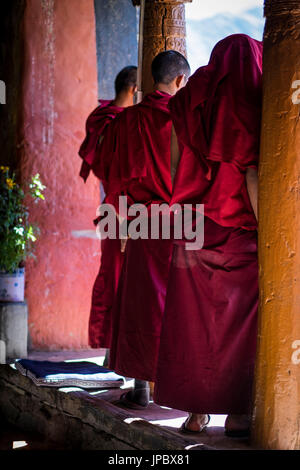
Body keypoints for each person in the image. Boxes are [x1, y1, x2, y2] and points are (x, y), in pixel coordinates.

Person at [154, 34, 262, 436]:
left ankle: (197, 413)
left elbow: (173, 166)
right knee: (239, 327)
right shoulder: (252, 101)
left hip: (195, 229)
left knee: (195, 324)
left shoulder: (188, 100)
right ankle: (238, 414)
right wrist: (265, 229)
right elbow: (251, 173)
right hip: (240, 234)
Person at [99, 51, 190, 408]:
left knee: (140, 304)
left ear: (152, 80)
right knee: (177, 306)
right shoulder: (183, 120)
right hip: (181, 221)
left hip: (139, 222)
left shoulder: (127, 120)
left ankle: (141, 388)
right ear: (181, 81)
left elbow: (115, 177)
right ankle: (176, 389)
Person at [78, 66, 137, 351]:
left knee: (125, 279)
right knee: (115, 278)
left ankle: (121, 350)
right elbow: (117, 173)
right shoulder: (113, 123)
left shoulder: (102, 118)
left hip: (123, 209)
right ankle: (113, 347)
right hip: (121, 210)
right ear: (135, 90)